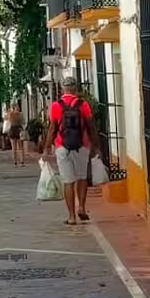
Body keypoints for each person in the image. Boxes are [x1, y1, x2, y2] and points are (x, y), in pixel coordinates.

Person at [47, 78, 96, 225]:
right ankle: (81, 207)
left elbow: (52, 128)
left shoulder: (56, 106)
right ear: (75, 89)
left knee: (68, 181)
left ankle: (71, 217)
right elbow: (91, 126)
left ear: (63, 89)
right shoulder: (84, 105)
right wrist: (96, 146)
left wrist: (46, 147)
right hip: (82, 145)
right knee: (82, 178)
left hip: (63, 146)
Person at [5, 103, 25, 167]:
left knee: (14, 148)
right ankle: (22, 162)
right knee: (21, 147)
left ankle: (15, 162)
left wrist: (9, 111)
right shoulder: (20, 114)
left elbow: (6, 119)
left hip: (12, 130)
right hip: (19, 129)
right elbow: (23, 122)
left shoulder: (10, 114)